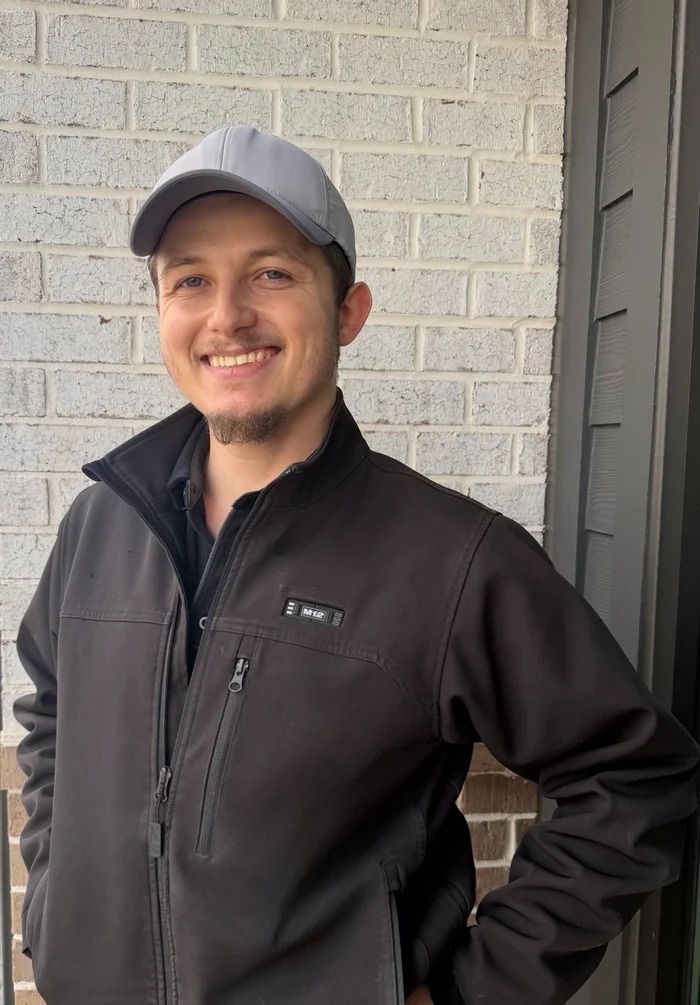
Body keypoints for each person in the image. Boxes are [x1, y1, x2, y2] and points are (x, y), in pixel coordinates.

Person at [14, 124, 699, 1005]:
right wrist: (52, 905)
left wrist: (472, 995)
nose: (226, 316)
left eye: (272, 272)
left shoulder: (452, 559)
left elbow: (633, 776)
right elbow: (50, 705)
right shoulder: (101, 521)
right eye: (190, 278)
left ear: (348, 310)